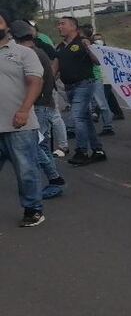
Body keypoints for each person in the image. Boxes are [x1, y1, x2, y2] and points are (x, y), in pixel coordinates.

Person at [0, 11, 47, 226]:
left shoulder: (23, 53)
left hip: (19, 124)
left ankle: (33, 210)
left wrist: (24, 110)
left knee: (26, 171)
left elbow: (35, 82)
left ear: (7, 26)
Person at [13, 20, 66, 201]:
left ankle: (55, 179)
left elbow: (38, 82)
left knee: (34, 146)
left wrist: (29, 105)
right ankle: (53, 180)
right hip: (43, 104)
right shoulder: (37, 52)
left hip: (40, 106)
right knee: (41, 145)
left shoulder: (29, 54)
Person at [55, 17, 106, 166]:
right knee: (85, 119)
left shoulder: (83, 42)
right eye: (58, 24)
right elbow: (55, 69)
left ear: (73, 27)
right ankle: (98, 150)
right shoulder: (60, 47)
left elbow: (97, 61)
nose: (59, 27)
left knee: (77, 117)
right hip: (69, 87)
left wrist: (89, 47)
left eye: (62, 24)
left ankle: (81, 151)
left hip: (84, 84)